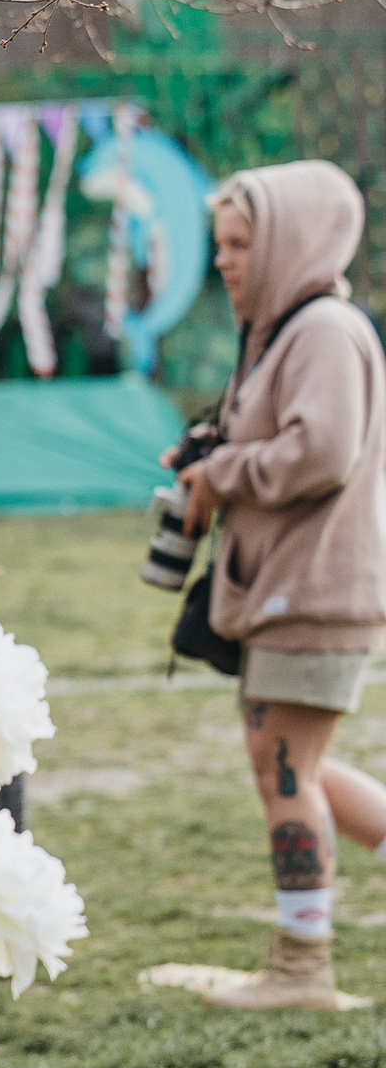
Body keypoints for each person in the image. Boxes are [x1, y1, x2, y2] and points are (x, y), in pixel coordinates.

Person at [171, 160, 386, 1009]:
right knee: (291, 760)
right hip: (286, 591)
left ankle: (303, 967)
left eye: (241, 242)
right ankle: (300, 959)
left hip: (316, 593)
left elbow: (320, 453)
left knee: (286, 768)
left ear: (289, 240)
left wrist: (223, 475)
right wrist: (205, 451)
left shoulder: (323, 331)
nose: (224, 260)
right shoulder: (282, 333)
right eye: (221, 243)